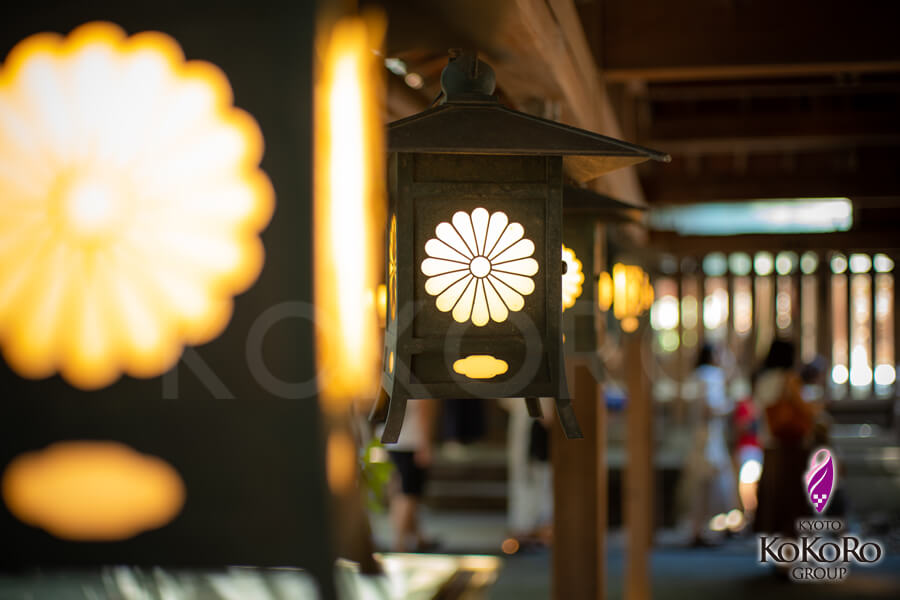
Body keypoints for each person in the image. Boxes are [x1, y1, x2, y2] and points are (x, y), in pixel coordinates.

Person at [752, 339, 815, 536]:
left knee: (772, 491)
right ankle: (790, 537)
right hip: (789, 441)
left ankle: (773, 534)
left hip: (768, 439)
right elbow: (803, 408)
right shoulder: (788, 378)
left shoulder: (762, 379)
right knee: (791, 492)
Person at [680, 344, 739, 546]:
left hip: (698, 436)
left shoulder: (695, 376)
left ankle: (698, 529)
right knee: (716, 484)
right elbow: (711, 409)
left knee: (699, 485)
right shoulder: (712, 376)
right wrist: (731, 406)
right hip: (711, 438)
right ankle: (715, 527)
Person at [381, 399, 438, 552]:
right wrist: (425, 443)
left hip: (392, 440)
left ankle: (417, 537)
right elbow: (424, 412)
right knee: (409, 492)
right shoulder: (419, 388)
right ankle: (399, 541)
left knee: (401, 490)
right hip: (411, 441)